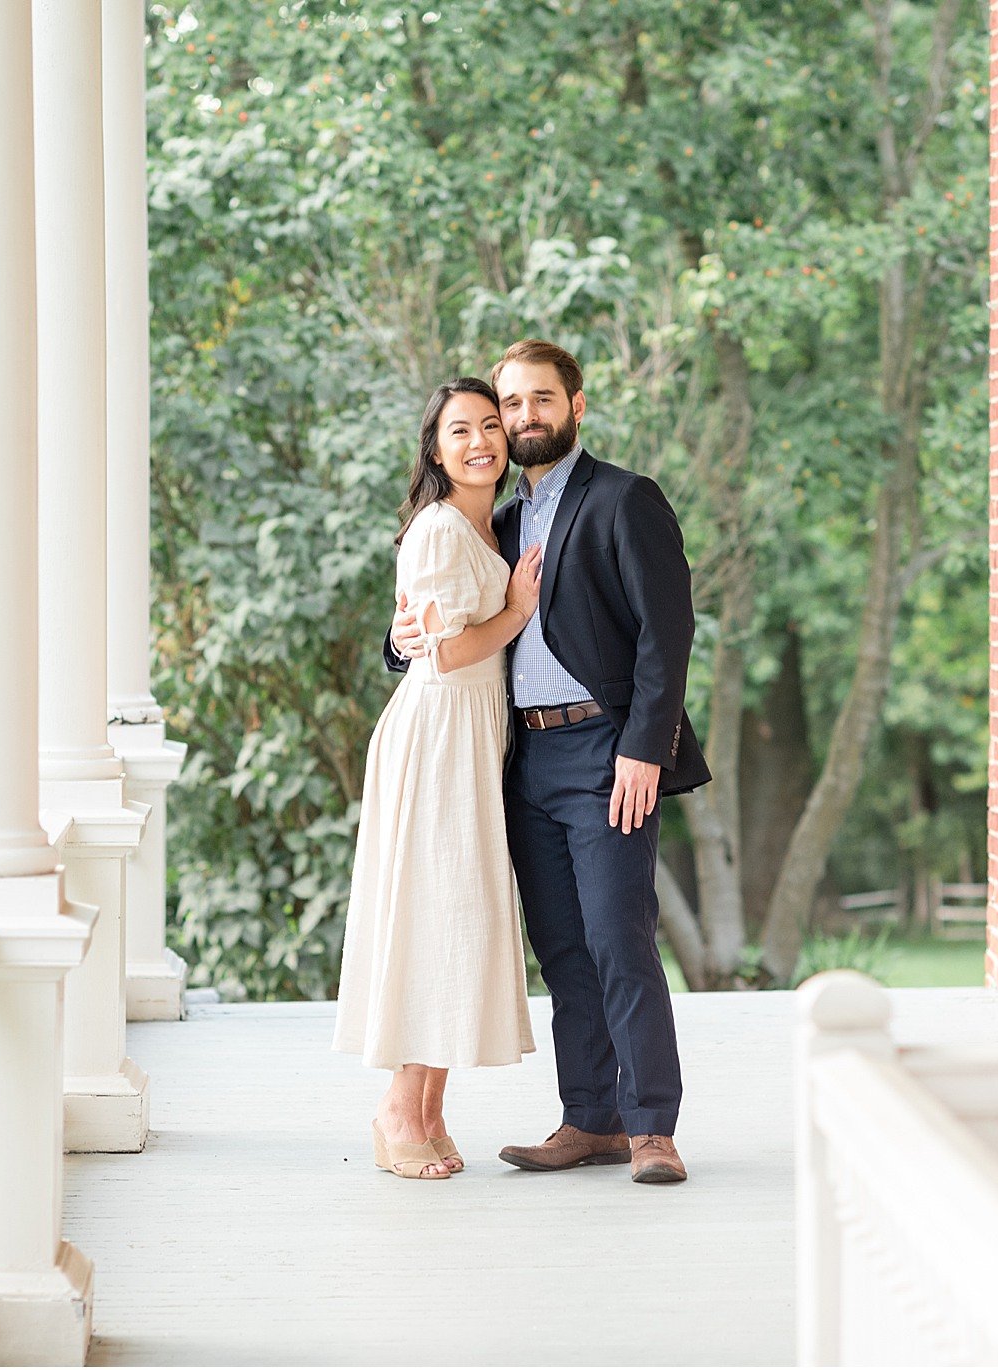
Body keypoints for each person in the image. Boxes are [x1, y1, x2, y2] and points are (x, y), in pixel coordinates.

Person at [389, 339, 709, 1185]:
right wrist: (399, 641)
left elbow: (665, 636)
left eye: (539, 401)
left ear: (576, 405)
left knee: (618, 940)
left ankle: (651, 1129)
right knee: (563, 949)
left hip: (606, 750)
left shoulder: (625, 500)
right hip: (521, 757)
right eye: (510, 406)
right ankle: (589, 1119)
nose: (523, 419)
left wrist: (646, 748)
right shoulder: (493, 519)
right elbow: (439, 620)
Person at [332, 376, 544, 1180]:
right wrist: (517, 611)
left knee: (457, 920)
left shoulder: (492, 524)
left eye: (491, 426)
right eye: (460, 431)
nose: (481, 442)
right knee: (436, 917)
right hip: (440, 733)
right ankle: (396, 1107)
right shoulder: (439, 530)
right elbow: (445, 649)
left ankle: (427, 1109)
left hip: (472, 730)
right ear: (434, 447)